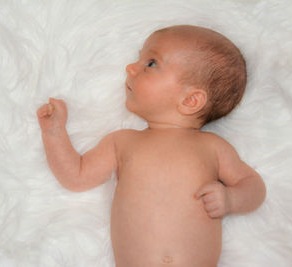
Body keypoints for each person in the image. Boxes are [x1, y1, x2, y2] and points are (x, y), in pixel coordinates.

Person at [37, 25, 266, 267]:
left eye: (151, 63)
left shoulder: (213, 147)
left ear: (191, 100)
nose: (130, 67)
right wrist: (54, 132)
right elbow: (76, 176)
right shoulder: (122, 142)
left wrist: (231, 199)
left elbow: (254, 187)